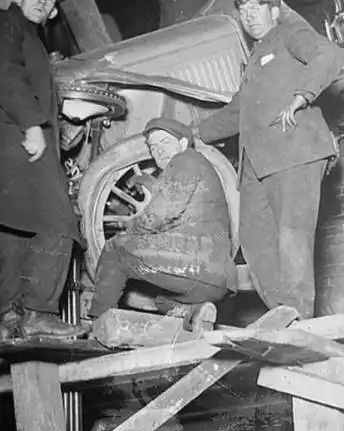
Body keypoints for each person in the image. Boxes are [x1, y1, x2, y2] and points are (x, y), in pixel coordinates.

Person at [196, 0, 343, 319]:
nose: (249, 16)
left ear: (274, 11)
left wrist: (302, 95)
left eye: (256, 8)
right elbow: (238, 111)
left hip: (294, 151)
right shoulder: (254, 60)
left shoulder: (290, 34)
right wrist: (193, 134)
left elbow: (329, 54)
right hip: (257, 164)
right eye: (243, 12)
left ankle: (297, 313)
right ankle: (281, 312)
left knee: (293, 236)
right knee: (254, 239)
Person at [0, 0, 87, 339]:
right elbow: (5, 76)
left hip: (11, 143)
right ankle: (37, 312)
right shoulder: (8, 24)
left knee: (16, 232)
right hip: (19, 139)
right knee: (60, 222)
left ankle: (8, 317)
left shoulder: (27, 35)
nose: (43, 1)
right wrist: (33, 125)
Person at [86, 118, 236, 328]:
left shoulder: (186, 159)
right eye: (153, 147)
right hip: (218, 278)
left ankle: (97, 325)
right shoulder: (196, 166)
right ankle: (195, 312)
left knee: (115, 250)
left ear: (183, 143)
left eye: (165, 142)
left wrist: (132, 231)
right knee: (162, 300)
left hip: (198, 265)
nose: (158, 151)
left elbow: (159, 213)